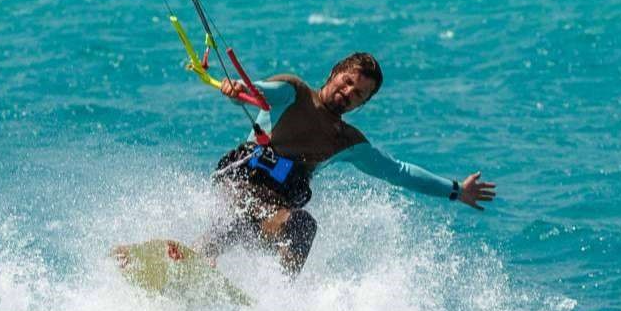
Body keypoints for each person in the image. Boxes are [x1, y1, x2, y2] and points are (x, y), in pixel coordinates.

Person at [196, 52, 494, 274]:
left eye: (359, 93)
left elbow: (397, 171)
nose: (349, 91)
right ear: (334, 73)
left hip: (278, 205)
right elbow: (258, 91)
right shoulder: (293, 92)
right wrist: (237, 89)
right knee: (246, 209)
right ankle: (198, 257)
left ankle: (274, 303)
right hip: (241, 180)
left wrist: (455, 190)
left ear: (362, 103)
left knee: (302, 226)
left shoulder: (347, 140)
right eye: (347, 81)